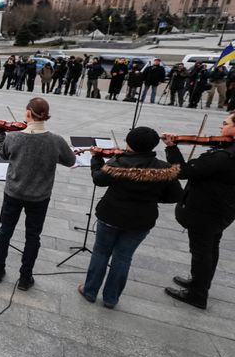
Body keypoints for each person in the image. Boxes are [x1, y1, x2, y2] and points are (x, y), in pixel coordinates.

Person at [77, 128, 181, 308]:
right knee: (123, 258)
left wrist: (96, 159)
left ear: (130, 144)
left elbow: (98, 179)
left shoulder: (119, 162)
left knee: (101, 253)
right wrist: (153, 198)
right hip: (141, 220)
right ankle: (111, 298)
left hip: (110, 214)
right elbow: (174, 195)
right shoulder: (163, 168)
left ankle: (90, 290)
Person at [0, 98, 76, 289]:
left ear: (28, 113)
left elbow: (4, 154)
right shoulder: (56, 140)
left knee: (5, 231)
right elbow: (70, 161)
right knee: (33, 236)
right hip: (40, 196)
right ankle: (25, 277)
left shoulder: (14, 137)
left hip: (13, 192)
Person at [161, 113, 235, 309]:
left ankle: (197, 294)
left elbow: (182, 171)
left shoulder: (222, 157)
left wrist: (171, 147)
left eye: (225, 124)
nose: (221, 127)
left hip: (206, 211)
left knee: (201, 252)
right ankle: (201, 283)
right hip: (224, 209)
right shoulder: (227, 151)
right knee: (211, 247)